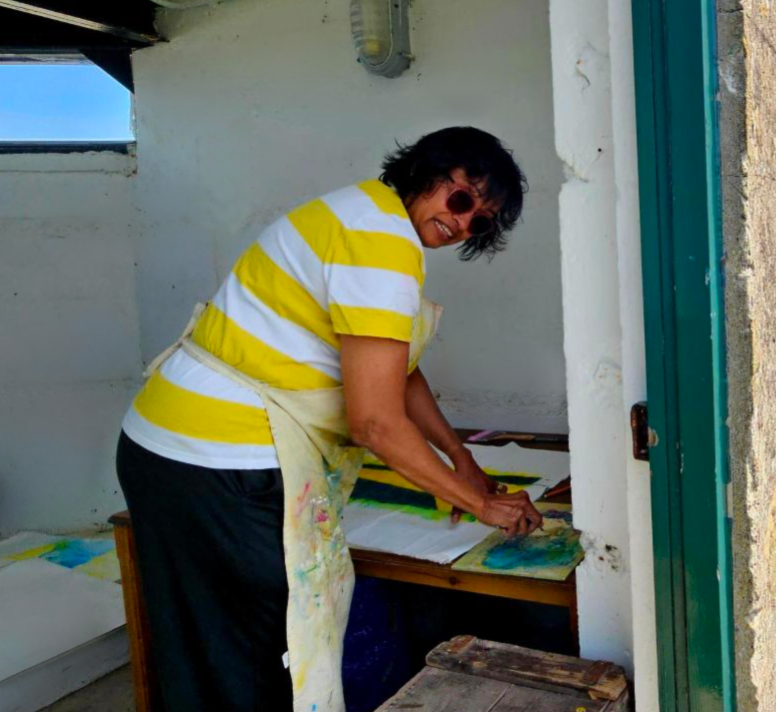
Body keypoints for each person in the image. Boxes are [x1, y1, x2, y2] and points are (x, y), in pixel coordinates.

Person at [115, 126, 543, 711]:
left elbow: (399, 370)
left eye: (480, 223)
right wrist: (482, 505)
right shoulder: (379, 240)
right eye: (462, 199)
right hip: (216, 462)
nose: (463, 224)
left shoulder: (368, 214)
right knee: (250, 654)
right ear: (427, 171)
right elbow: (375, 423)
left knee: (208, 643)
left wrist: (459, 455)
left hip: (175, 451)